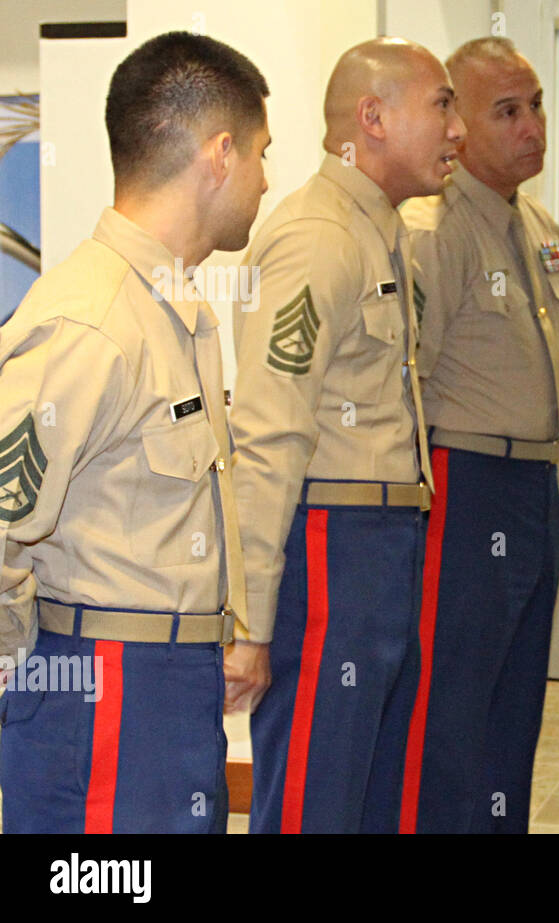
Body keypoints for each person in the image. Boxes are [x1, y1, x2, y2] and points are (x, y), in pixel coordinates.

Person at [0, 32, 269, 833]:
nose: (265, 178)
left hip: (166, 690)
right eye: (260, 153)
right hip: (101, 696)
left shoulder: (171, 307)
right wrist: (23, 670)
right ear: (220, 154)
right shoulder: (92, 320)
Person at [226, 38, 463, 834]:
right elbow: (268, 434)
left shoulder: (378, 227)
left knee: (372, 791)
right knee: (317, 794)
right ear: (374, 118)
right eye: (441, 104)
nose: (456, 129)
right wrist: (251, 621)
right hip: (332, 544)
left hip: (382, 541)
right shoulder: (317, 237)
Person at [402, 36, 559, 833]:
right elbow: (410, 380)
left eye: (535, 103)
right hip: (464, 487)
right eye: (507, 111)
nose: (532, 125)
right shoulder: (433, 230)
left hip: (537, 484)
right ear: (458, 128)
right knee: (453, 708)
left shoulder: (536, 222)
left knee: (517, 702)